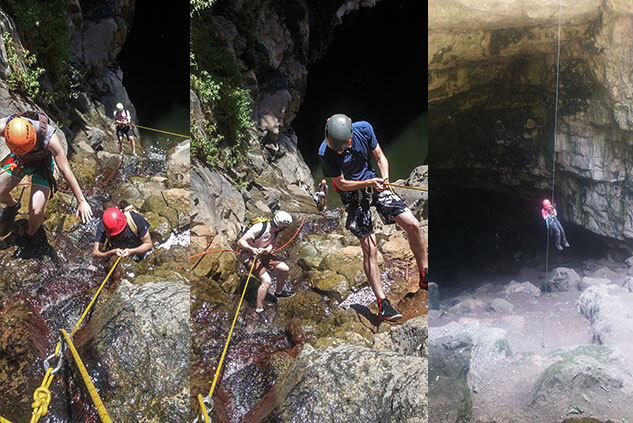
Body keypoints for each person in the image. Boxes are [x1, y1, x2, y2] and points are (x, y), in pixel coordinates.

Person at [318, 113, 429, 321]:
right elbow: (341, 183)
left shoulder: (364, 129)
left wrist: (384, 177)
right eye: (337, 148)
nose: (340, 151)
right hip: (352, 194)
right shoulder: (326, 152)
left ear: (350, 137)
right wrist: (369, 184)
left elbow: (380, 157)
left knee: (413, 224)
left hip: (373, 181)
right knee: (370, 247)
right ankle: (382, 303)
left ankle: (425, 275)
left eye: (343, 147)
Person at [0, 111, 93, 237]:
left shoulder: (49, 138)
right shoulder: (5, 127)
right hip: (19, 162)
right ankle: (14, 205)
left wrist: (81, 201)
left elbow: (65, 170)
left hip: (42, 166)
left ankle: (31, 232)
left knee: (36, 211)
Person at [236, 211, 295, 320]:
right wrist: (252, 249)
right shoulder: (260, 227)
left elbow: (271, 244)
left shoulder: (276, 232)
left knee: (284, 269)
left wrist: (267, 249)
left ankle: (279, 292)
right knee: (267, 281)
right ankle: (259, 308)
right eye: (284, 228)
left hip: (262, 253)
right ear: (280, 226)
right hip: (248, 254)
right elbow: (240, 242)